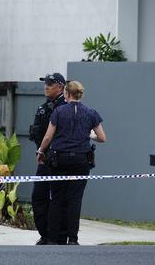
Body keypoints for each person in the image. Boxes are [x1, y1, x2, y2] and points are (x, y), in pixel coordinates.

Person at [36, 80, 106, 245]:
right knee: (75, 199)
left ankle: (53, 238)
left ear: (66, 93)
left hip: (60, 159)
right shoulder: (91, 113)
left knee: (57, 199)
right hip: (82, 160)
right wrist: (89, 135)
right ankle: (72, 238)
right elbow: (102, 138)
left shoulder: (59, 112)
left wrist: (40, 151)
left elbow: (48, 136)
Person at [28, 72, 67, 245]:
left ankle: (57, 236)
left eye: (50, 84)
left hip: (59, 159)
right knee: (38, 197)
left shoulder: (64, 107)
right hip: (44, 159)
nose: (46, 86)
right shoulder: (44, 107)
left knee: (58, 200)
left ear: (60, 87)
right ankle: (45, 234)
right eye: (46, 83)